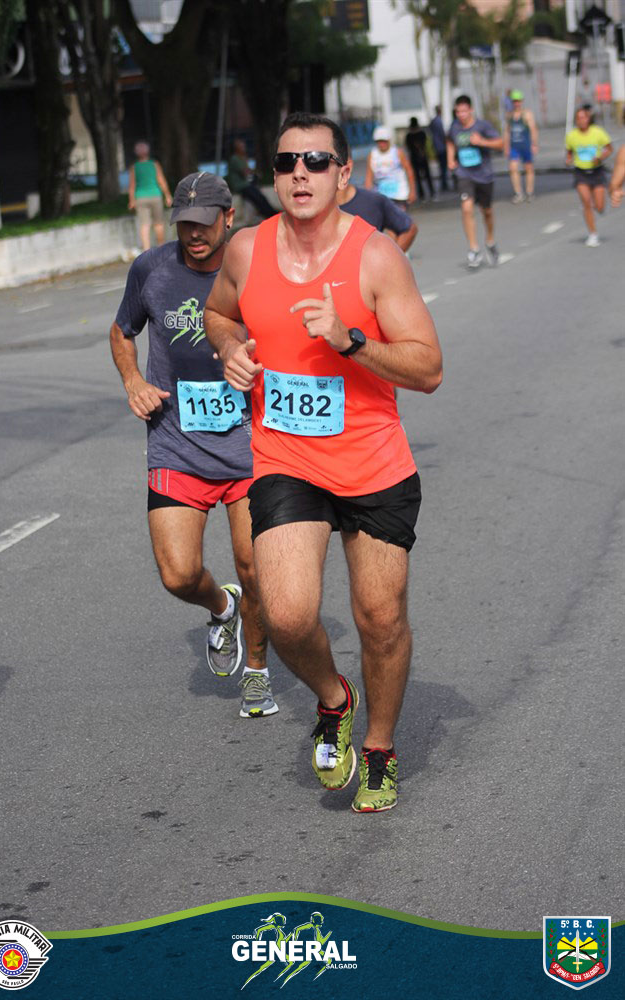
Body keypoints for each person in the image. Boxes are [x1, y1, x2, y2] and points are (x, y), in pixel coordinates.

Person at [204, 112, 442, 813]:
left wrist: (350, 341)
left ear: (344, 174)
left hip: (373, 464)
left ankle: (380, 749)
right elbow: (219, 313)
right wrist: (230, 349)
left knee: (379, 620)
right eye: (286, 163)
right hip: (286, 458)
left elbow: (428, 368)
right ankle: (334, 698)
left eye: (315, 161)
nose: (299, 174)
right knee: (284, 613)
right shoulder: (246, 249)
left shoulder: (375, 257)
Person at [110, 171, 277, 719]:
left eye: (204, 223)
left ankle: (257, 672)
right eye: (185, 224)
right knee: (178, 574)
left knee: (254, 566)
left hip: (249, 445)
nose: (194, 234)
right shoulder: (151, 269)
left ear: (228, 218)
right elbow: (122, 330)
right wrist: (133, 380)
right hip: (176, 442)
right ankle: (222, 607)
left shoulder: (253, 269)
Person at [446, 94, 504, 268]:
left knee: (487, 211)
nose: (461, 115)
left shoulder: (482, 126)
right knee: (466, 208)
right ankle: (474, 249)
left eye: (464, 111)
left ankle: (490, 241)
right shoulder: (454, 127)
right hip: (464, 174)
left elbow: (500, 143)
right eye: (458, 112)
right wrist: (450, 158)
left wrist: (481, 141)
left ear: (471, 110)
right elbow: (450, 141)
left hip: (484, 175)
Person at [336, 154, 418, 253]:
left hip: (398, 195)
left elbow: (409, 229)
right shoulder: (317, 211)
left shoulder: (373, 201)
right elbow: (369, 177)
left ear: (348, 166)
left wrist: (389, 260)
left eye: (323, 163)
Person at [565, 107, 613, 247]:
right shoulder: (571, 136)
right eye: (579, 118)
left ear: (588, 118)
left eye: (584, 117)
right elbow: (569, 153)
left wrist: (600, 158)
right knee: (586, 202)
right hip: (580, 172)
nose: (582, 121)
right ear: (576, 121)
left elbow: (609, 148)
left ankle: (598, 207)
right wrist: (568, 160)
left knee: (599, 206)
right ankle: (593, 234)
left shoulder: (597, 132)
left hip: (597, 171)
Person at [128, 141, 173, 251]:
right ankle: (161, 248)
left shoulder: (134, 167)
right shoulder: (154, 164)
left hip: (140, 197)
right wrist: (168, 195)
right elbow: (161, 180)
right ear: (147, 152)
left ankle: (146, 251)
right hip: (155, 196)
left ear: (136, 153)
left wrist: (131, 201)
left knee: (144, 225)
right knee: (158, 223)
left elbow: (132, 185)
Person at [364, 125, 416, 207]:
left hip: (399, 195)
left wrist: (412, 191)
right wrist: (366, 197)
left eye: (384, 141)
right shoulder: (372, 155)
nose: (382, 144)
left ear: (389, 140)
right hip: (381, 195)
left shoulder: (398, 153)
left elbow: (409, 171)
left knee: (399, 215)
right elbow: (369, 177)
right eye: (379, 141)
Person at [225, 138, 277, 219]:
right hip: (240, 186)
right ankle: (269, 213)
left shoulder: (241, 158)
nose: (244, 147)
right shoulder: (235, 159)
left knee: (260, 196)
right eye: (241, 146)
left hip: (245, 184)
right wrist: (255, 172)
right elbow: (245, 172)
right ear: (236, 148)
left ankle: (270, 212)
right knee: (257, 197)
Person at [504, 90, 538, 203]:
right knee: (513, 168)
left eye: (518, 101)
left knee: (528, 169)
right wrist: (506, 146)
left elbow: (533, 129)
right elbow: (507, 132)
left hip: (525, 145)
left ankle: (529, 192)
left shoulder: (527, 114)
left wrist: (534, 144)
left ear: (521, 101)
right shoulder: (509, 115)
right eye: (514, 101)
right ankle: (518, 193)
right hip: (514, 146)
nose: (516, 103)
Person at [405, 117, 435, 201]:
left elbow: (408, 147)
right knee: (427, 176)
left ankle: (421, 194)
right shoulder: (422, 133)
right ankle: (431, 192)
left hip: (415, 158)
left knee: (418, 178)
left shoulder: (409, 135)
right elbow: (426, 144)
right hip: (422, 156)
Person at [429, 105, 449, 192]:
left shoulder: (433, 121)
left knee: (441, 166)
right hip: (441, 147)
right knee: (443, 166)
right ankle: (444, 184)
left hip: (437, 146)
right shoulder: (438, 121)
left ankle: (444, 183)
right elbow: (442, 134)